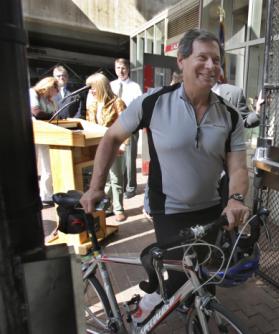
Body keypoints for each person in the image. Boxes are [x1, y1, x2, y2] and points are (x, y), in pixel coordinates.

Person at [80, 28, 250, 324]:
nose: (211, 66)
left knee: (205, 280)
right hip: (169, 210)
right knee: (176, 282)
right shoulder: (153, 102)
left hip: (212, 210)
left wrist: (235, 199)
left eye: (217, 60)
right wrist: (96, 187)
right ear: (181, 61)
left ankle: (198, 320)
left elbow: (237, 167)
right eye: (203, 57)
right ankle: (145, 310)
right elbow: (111, 138)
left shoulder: (230, 115)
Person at [85, 73, 128, 222]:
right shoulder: (92, 105)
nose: (90, 91)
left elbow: (126, 126)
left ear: (100, 86)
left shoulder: (117, 102)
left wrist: (122, 144)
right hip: (98, 146)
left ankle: (118, 209)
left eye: (92, 87)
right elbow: (88, 126)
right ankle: (108, 206)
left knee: (116, 179)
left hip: (115, 146)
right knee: (105, 178)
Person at [110, 58, 142, 200]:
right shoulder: (110, 86)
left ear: (128, 69)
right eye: (118, 68)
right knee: (117, 157)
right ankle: (120, 185)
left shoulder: (135, 87)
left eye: (123, 68)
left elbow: (139, 106)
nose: (121, 71)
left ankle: (130, 187)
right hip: (114, 127)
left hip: (130, 126)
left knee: (130, 158)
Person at [30, 76, 59, 206]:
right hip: (33, 134)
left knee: (48, 165)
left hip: (48, 134)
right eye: (55, 87)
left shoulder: (51, 101)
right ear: (48, 86)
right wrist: (54, 116)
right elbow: (36, 112)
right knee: (33, 165)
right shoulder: (33, 93)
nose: (57, 91)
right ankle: (32, 196)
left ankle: (46, 195)